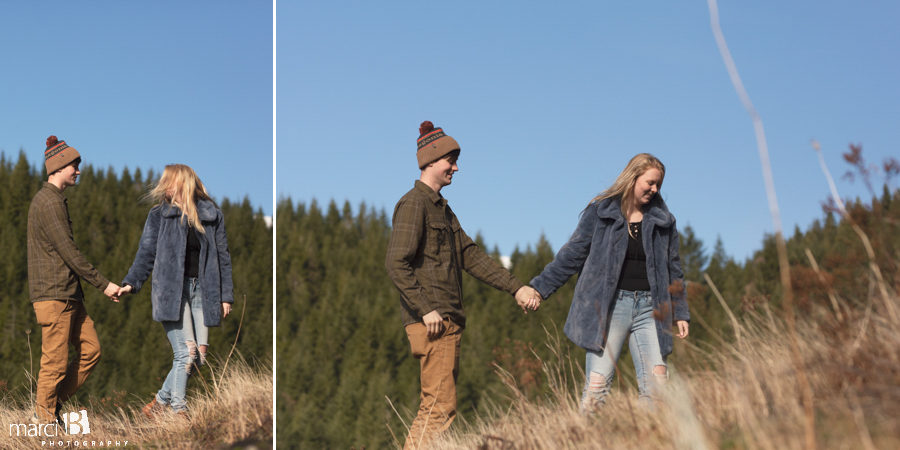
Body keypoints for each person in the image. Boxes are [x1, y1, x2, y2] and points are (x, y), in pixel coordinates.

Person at [385, 121, 539, 449]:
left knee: (438, 405)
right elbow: (396, 263)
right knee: (439, 407)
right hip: (433, 321)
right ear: (430, 161)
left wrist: (516, 287)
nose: (456, 167)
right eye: (450, 160)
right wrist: (426, 310)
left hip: (447, 321)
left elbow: (470, 256)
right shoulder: (414, 204)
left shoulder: (443, 209)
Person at [527, 153, 690, 412]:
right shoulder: (600, 212)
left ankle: (650, 439)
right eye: (650, 182)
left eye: (658, 184)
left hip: (652, 309)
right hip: (610, 307)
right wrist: (539, 287)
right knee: (597, 387)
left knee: (658, 386)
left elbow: (674, 269)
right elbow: (572, 255)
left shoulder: (663, 221)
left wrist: (680, 312)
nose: (655, 189)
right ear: (633, 177)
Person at [119, 164, 234, 417]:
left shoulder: (212, 216)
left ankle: (159, 402)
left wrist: (226, 295)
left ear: (184, 183)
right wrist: (131, 282)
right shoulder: (159, 215)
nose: (165, 187)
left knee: (199, 357)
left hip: (203, 292)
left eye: (169, 181)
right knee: (186, 352)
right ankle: (178, 410)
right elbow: (146, 253)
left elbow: (223, 256)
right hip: (172, 292)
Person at [27, 135, 122, 424]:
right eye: (74, 165)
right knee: (54, 364)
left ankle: (50, 407)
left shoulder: (53, 200)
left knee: (91, 350)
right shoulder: (49, 203)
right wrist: (104, 284)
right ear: (59, 166)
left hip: (69, 295)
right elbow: (70, 252)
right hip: (54, 297)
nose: (78, 170)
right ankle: (43, 424)